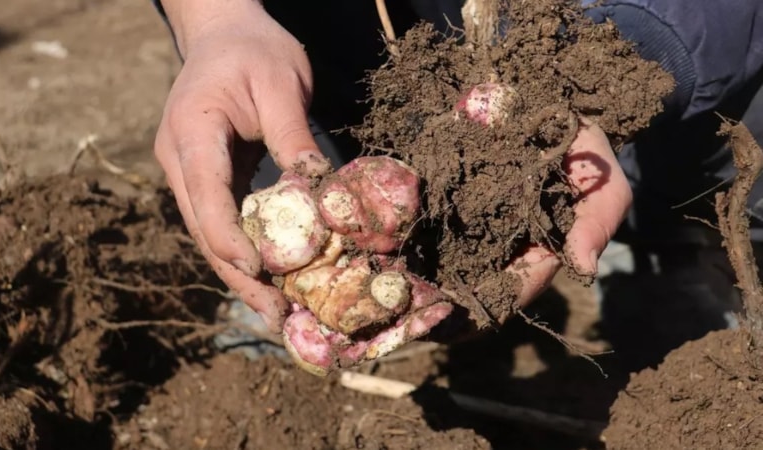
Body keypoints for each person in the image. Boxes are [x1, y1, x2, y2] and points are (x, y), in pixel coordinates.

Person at [149, 0, 763, 370]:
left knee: (677, 153)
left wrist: (612, 60)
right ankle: (292, 289)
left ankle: (667, 240)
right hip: (305, 37)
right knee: (310, 116)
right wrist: (215, 18)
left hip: (585, 26)